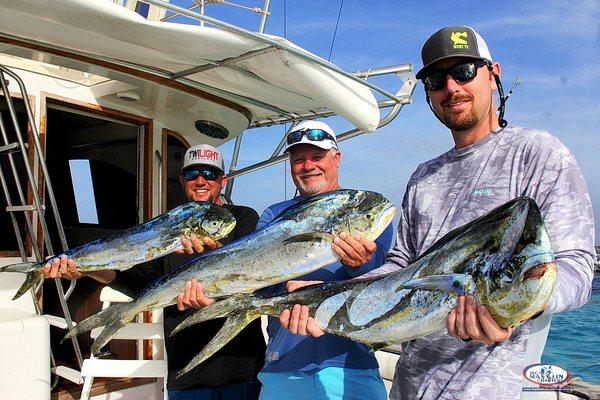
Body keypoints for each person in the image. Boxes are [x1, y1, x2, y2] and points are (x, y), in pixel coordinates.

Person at [376, 26, 594, 399]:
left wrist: (511, 306)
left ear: (493, 74)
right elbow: (402, 267)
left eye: (463, 71)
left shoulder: (538, 154)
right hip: (408, 386)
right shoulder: (422, 176)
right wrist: (335, 292)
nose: (452, 87)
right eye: (436, 79)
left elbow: (576, 264)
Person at [43, 144, 265, 400]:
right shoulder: (167, 229)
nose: (201, 181)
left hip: (242, 365)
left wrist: (205, 252)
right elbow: (136, 282)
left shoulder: (242, 218)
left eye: (209, 173)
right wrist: (84, 269)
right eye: (193, 174)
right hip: (185, 370)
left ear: (222, 181)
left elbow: (246, 266)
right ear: (183, 181)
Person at [255, 120, 394, 400]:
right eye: (298, 160)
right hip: (285, 367)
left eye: (317, 157)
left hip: (351, 364)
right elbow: (259, 287)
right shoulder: (273, 215)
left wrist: (359, 264)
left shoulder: (367, 210)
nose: (308, 166)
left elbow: (382, 278)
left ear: (336, 158)